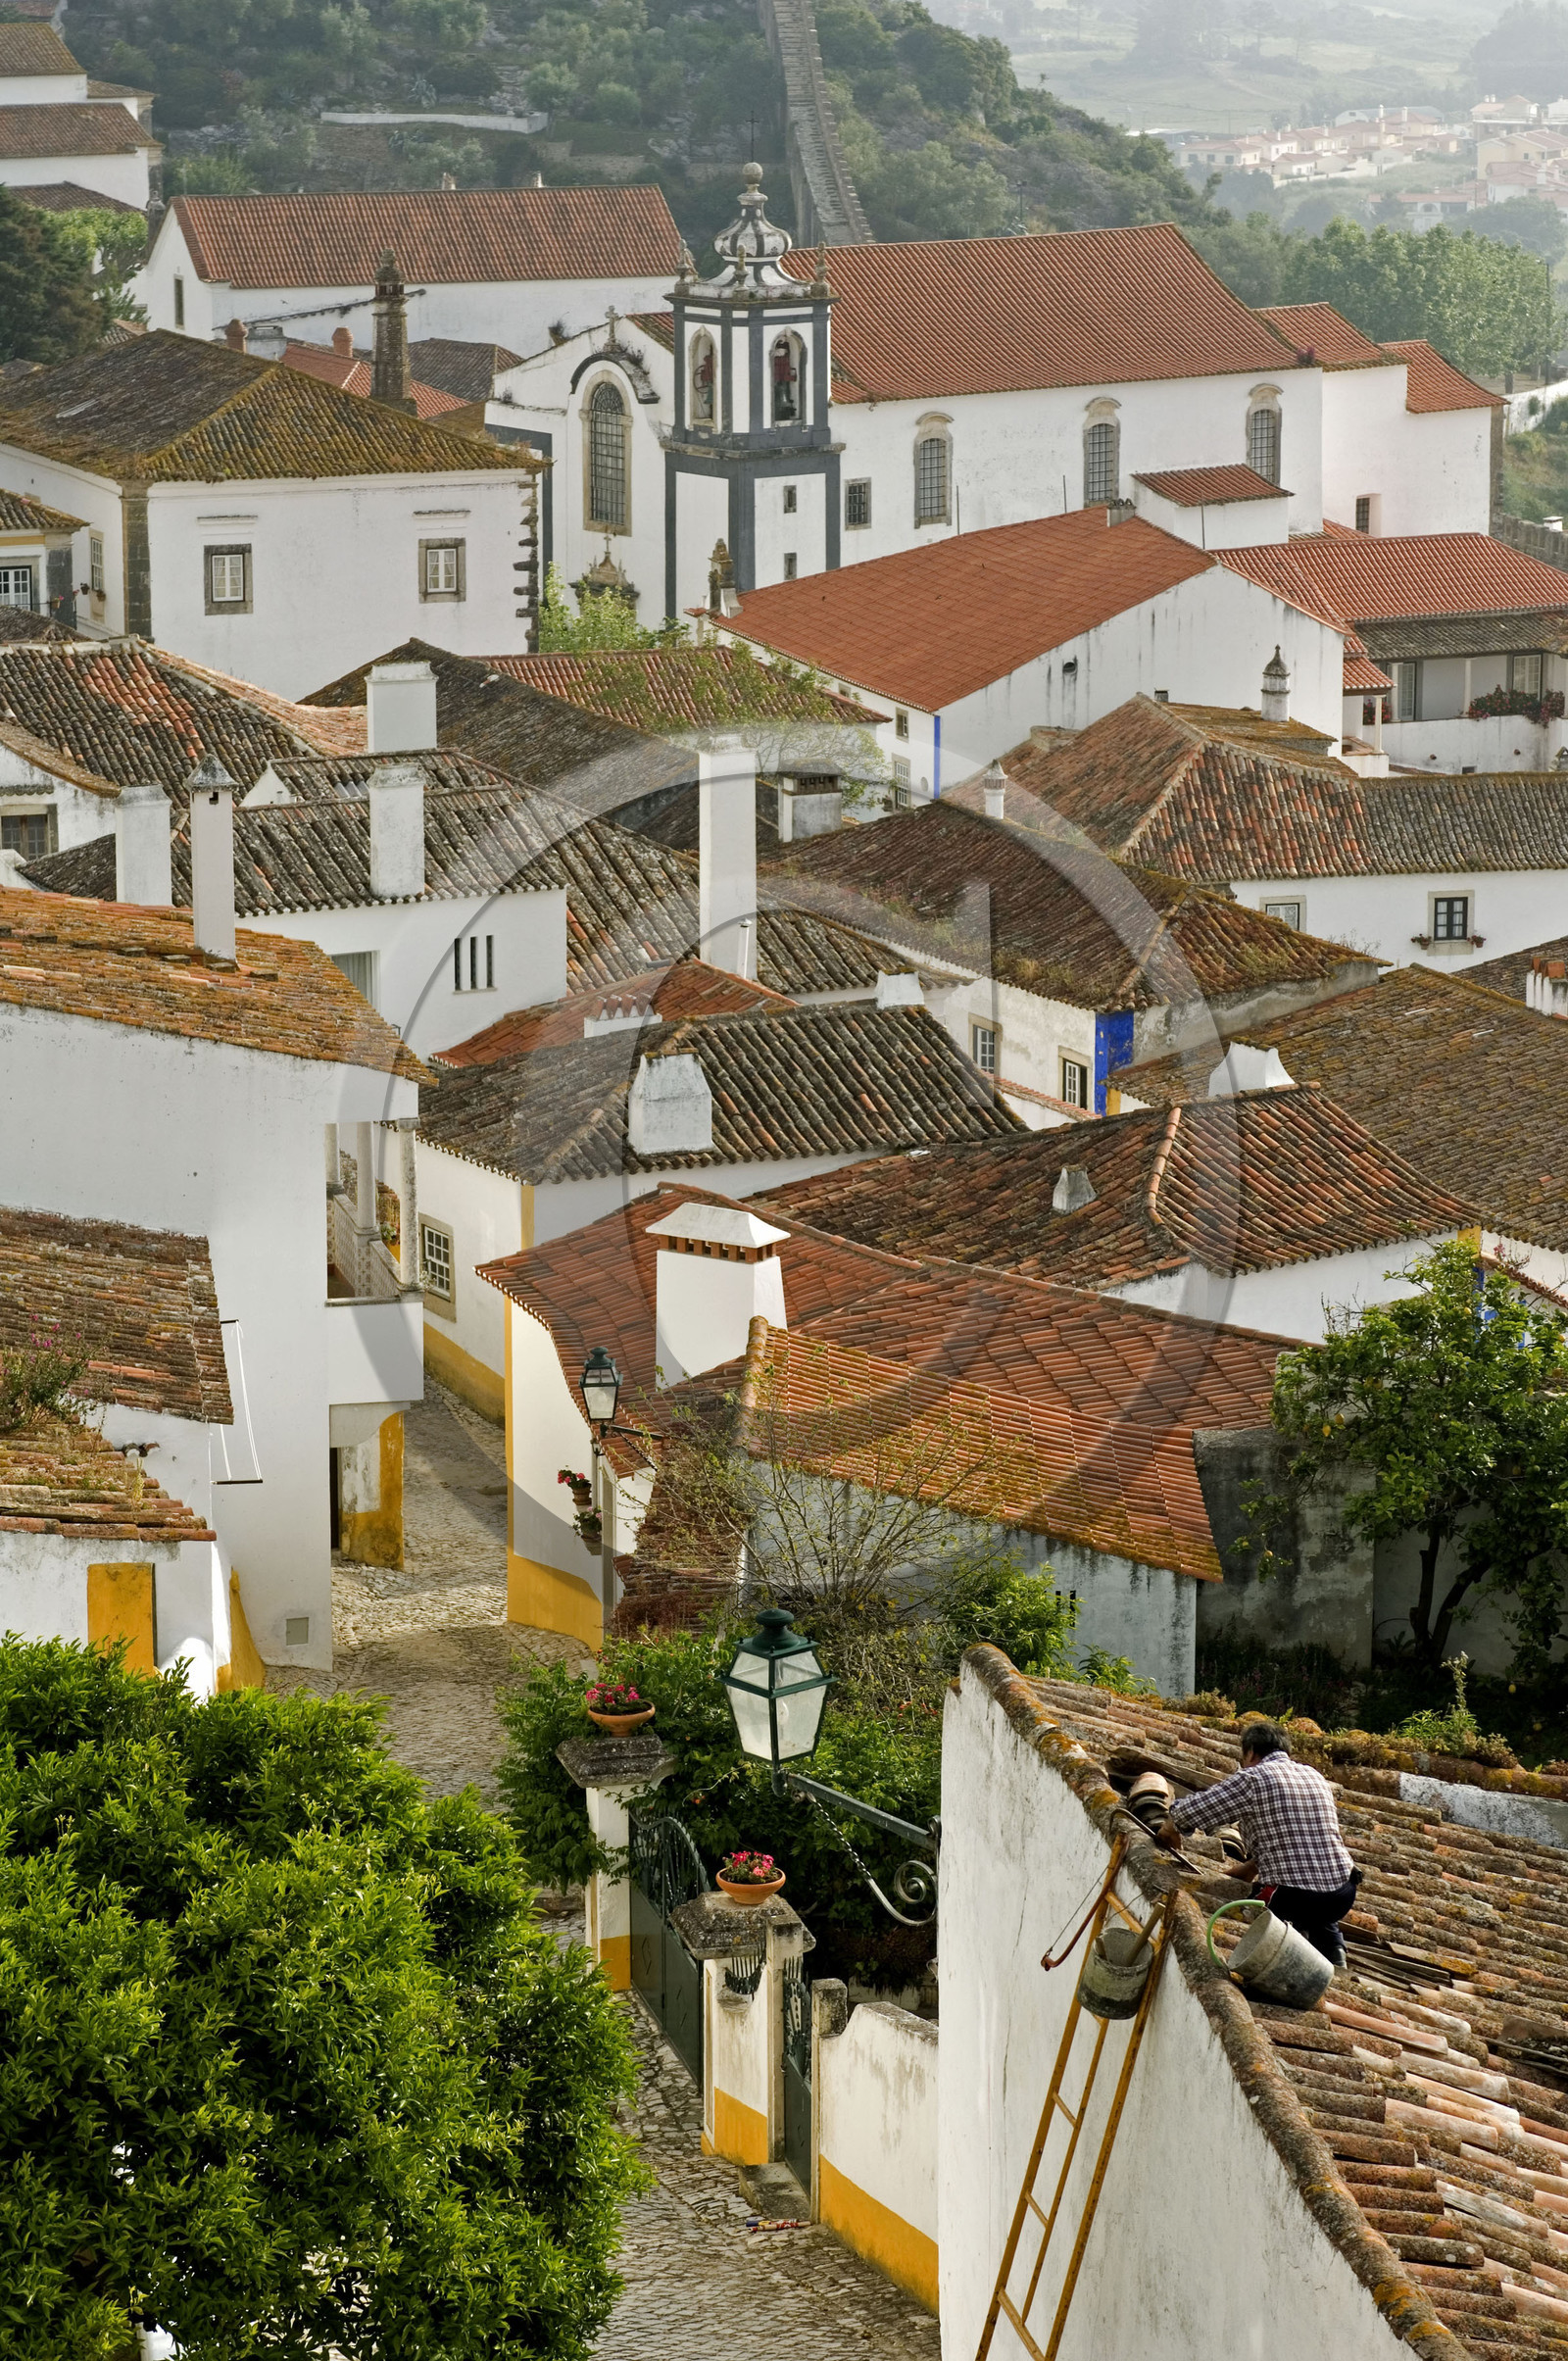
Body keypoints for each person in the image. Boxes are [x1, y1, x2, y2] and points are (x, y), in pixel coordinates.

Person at [1156, 1720, 1358, 1969]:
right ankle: (1335, 1953)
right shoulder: (1314, 1775)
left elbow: (1193, 1810)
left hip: (1297, 1897)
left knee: (1273, 1912)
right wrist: (1249, 1869)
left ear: (1250, 1751)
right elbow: (1293, 1840)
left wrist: (1170, 1825)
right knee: (1319, 1900)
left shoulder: (1254, 1778)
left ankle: (1285, 1969)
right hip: (1343, 1892)